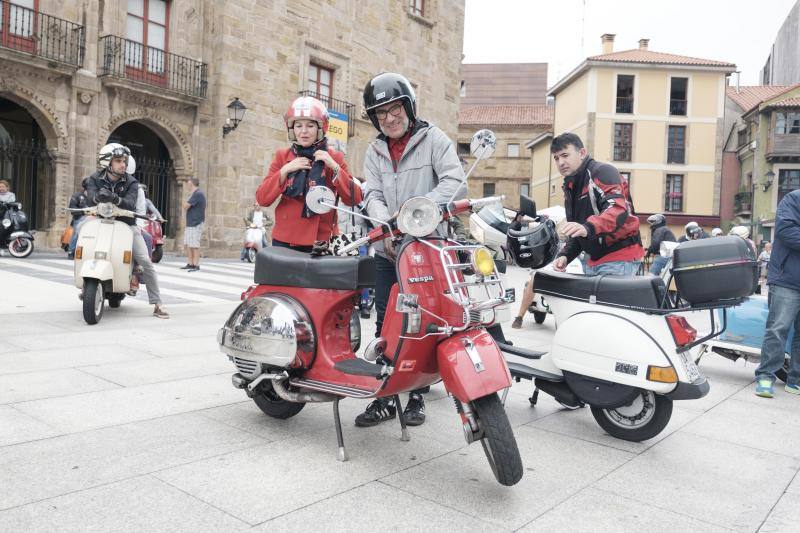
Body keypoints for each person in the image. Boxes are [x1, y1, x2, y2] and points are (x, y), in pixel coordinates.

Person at [357, 72, 465, 428]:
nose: (390, 117)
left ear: (409, 106)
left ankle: (416, 394)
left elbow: (453, 180)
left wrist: (417, 213)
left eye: (395, 108)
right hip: (389, 248)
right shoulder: (374, 151)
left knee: (425, 319)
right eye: (381, 112)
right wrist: (383, 222)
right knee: (385, 317)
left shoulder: (434, 140)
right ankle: (385, 393)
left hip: (427, 245)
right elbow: (370, 193)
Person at [255, 96, 361, 253]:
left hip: (321, 242)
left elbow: (355, 198)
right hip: (285, 241)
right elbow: (262, 198)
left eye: (310, 125)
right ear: (292, 129)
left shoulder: (334, 157)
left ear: (320, 128)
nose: (303, 131)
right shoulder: (282, 157)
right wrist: (285, 170)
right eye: (298, 125)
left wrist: (334, 166)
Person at [84, 143, 168, 318]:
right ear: (107, 163)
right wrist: (97, 197)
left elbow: (130, 203)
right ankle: (87, 284)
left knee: (146, 261)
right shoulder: (95, 178)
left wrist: (114, 198)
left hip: (126, 226)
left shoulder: (132, 182)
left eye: (124, 161)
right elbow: (90, 198)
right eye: (118, 161)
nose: (123, 164)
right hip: (102, 223)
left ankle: (158, 303)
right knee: (84, 247)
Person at [549, 133, 643, 276]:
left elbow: (617, 210)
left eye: (565, 155)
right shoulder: (570, 186)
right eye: (556, 158)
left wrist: (587, 227)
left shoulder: (602, 171)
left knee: (602, 299)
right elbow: (579, 230)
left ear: (582, 153)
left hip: (618, 257)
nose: (560, 162)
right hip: (592, 260)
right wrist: (566, 255)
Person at [754, 190, 800, 397]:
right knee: (777, 329)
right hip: (787, 279)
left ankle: (796, 380)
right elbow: (787, 231)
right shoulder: (794, 198)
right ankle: (765, 376)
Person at [182, 177, 206, 271]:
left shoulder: (198, 194)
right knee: (188, 243)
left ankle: (196, 264)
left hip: (196, 222)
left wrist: (184, 201)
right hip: (191, 222)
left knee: (195, 244)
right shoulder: (194, 194)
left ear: (192, 184)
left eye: (188, 184)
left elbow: (186, 206)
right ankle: (190, 263)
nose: (187, 186)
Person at [67, 180, 90, 259]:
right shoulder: (77, 196)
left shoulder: (95, 197)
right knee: (77, 232)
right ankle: (71, 250)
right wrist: (83, 211)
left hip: (93, 218)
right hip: (80, 218)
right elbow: (72, 208)